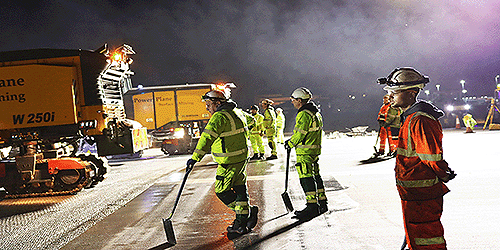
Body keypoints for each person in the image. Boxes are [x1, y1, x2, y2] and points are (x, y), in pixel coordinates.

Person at [379, 67, 456, 249]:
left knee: (426, 240)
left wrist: (443, 174)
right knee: (417, 239)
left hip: (423, 195)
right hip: (414, 195)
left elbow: (431, 157)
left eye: (394, 92)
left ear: (411, 93)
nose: (390, 96)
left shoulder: (420, 120)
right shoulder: (410, 117)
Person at [186, 90, 258, 235]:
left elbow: (206, 139)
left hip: (228, 161)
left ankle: (245, 215)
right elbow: (253, 121)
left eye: (208, 104)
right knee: (239, 188)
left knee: (222, 191)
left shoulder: (218, 117)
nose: (207, 108)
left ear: (218, 103)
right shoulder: (238, 112)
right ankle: (242, 222)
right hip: (241, 158)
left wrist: (194, 158)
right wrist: (242, 136)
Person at [285, 87, 328, 220]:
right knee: (315, 175)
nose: (292, 102)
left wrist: (290, 143)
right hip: (314, 149)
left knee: (306, 177)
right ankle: (322, 202)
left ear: (299, 100)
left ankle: (311, 206)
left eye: (293, 100)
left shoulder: (303, 114)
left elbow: (300, 134)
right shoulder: (316, 113)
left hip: (305, 151)